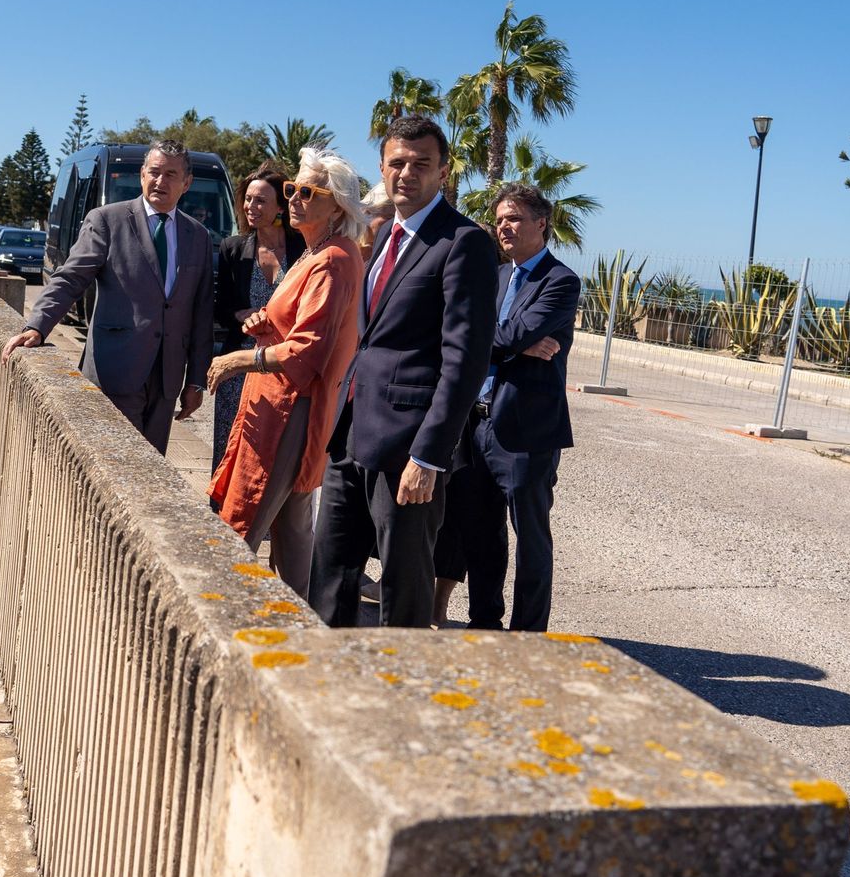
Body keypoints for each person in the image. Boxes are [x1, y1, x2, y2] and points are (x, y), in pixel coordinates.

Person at [310, 115, 498, 628]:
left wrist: (429, 455)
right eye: (397, 163)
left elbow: (464, 361)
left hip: (409, 447)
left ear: (443, 172)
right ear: (382, 167)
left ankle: (402, 674)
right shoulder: (384, 236)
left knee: (403, 585)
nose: (407, 173)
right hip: (352, 433)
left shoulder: (463, 242)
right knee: (330, 573)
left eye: (421, 164)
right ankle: (327, 668)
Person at [206, 147, 365, 598]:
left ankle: (225, 611)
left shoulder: (332, 259)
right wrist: (266, 324)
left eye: (308, 192)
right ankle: (300, 618)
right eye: (293, 188)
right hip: (285, 404)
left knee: (247, 515)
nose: (294, 198)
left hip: (288, 409)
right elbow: (300, 327)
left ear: (338, 207)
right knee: (292, 528)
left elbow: (309, 348)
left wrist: (237, 359)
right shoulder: (318, 251)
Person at [1, 139, 214, 454]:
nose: (160, 181)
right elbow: (71, 277)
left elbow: (201, 313)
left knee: (151, 467)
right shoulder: (107, 220)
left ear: (187, 183)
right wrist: (37, 325)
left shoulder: (198, 236)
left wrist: (196, 380)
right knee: (112, 460)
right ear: (142, 175)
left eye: (171, 174)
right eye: (154, 172)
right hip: (114, 370)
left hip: (166, 382)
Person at [462, 183, 580, 631]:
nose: (503, 227)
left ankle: (528, 634)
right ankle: (484, 624)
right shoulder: (494, 276)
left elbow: (505, 334)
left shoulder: (560, 280)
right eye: (499, 220)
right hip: (477, 424)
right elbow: (463, 331)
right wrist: (514, 344)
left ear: (541, 223)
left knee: (531, 539)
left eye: (513, 218)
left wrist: (504, 341)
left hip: (526, 431)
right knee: (481, 533)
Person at [212, 162, 306, 469]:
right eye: (248, 199)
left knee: (276, 458)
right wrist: (241, 315)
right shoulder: (233, 249)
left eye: (261, 200)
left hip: (285, 366)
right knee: (229, 452)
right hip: (238, 369)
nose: (251, 206)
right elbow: (220, 309)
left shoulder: (304, 249)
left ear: (280, 206)